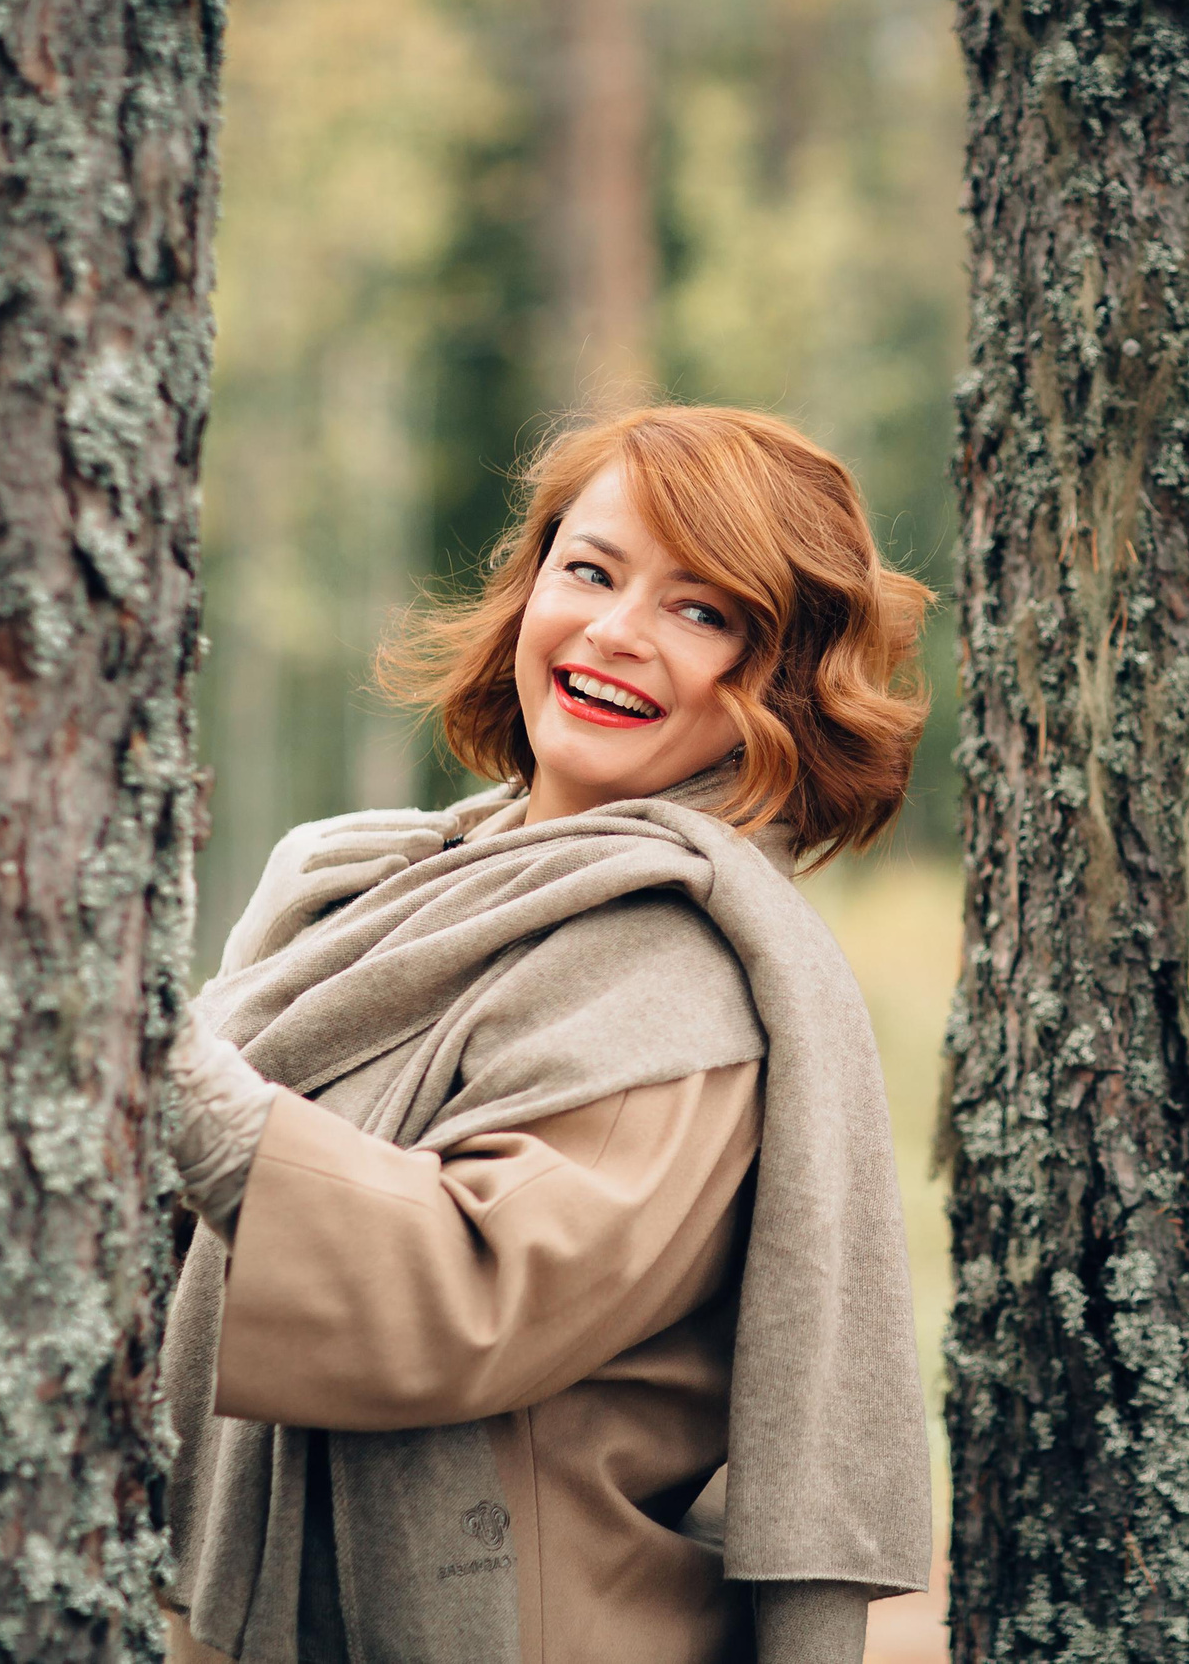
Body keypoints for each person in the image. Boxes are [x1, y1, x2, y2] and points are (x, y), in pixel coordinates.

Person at [154, 406, 936, 1664]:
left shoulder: (674, 972)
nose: (616, 633)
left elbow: (474, 1291)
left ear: (782, 682)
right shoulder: (383, 885)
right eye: (590, 570)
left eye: (703, 611)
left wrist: (186, 1090)